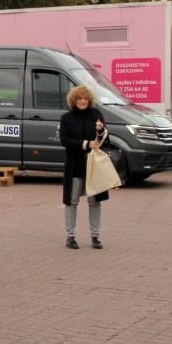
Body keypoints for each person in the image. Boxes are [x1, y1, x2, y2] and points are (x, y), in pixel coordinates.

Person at [59, 84, 108, 250]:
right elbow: (64, 140)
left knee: (94, 201)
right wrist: (86, 144)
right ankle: (70, 236)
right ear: (74, 100)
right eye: (79, 98)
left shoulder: (96, 114)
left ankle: (95, 237)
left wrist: (101, 132)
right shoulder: (66, 118)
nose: (82, 101)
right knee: (72, 201)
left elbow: (104, 139)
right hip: (75, 164)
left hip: (94, 166)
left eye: (85, 98)